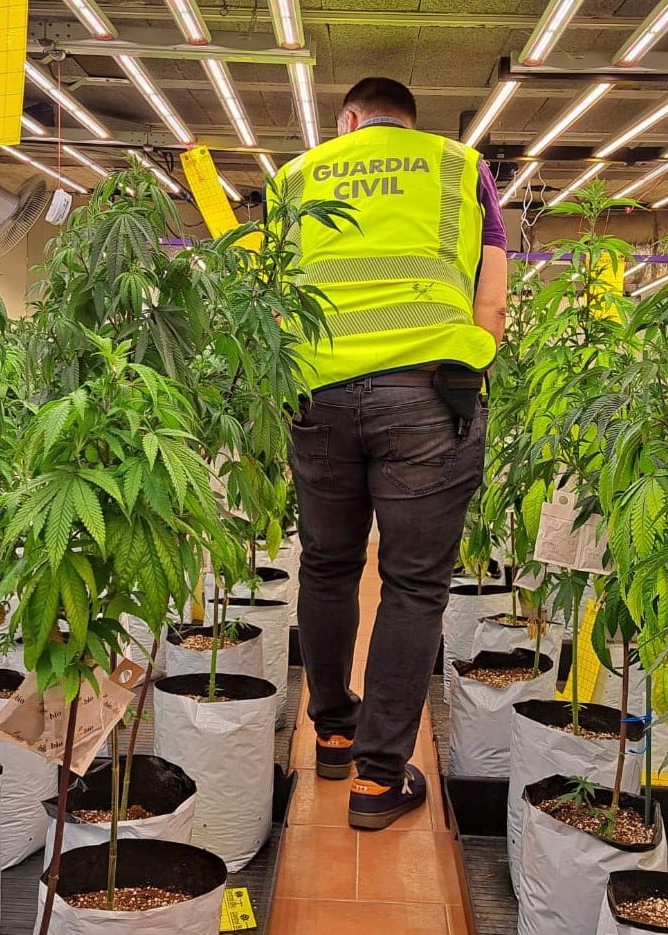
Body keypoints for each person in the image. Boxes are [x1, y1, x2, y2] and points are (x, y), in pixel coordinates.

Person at [274, 77, 508, 830]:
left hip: (318, 396)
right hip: (427, 397)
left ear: (347, 121)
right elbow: (492, 294)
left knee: (328, 566)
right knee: (411, 586)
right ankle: (378, 782)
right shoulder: (455, 164)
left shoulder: (297, 174)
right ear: (410, 121)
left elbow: (271, 294)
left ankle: (333, 734)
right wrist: (474, 363)